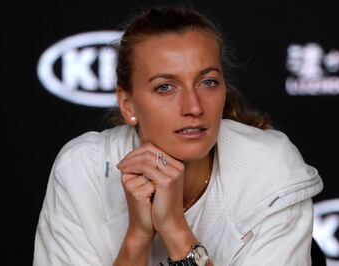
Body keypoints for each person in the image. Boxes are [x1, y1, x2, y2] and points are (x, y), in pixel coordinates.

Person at [33, 5, 323, 266]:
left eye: (207, 82)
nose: (194, 107)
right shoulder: (82, 170)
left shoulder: (271, 169)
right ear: (128, 104)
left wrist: (175, 229)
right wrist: (138, 237)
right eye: (165, 87)